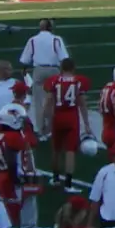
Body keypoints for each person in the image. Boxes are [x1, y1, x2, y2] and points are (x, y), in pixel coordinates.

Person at [43, 58, 91, 190]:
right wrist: (86, 123)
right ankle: (68, 183)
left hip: (57, 116)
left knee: (56, 150)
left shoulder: (53, 81)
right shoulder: (78, 82)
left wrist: (44, 120)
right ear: (73, 68)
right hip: (71, 117)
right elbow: (82, 103)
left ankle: (55, 178)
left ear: (61, 67)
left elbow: (48, 101)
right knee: (70, 151)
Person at [18, 19, 69, 134]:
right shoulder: (56, 39)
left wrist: (24, 71)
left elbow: (25, 59)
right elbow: (64, 58)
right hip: (54, 70)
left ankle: (41, 129)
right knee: (54, 100)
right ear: (50, 28)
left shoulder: (33, 40)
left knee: (39, 101)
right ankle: (52, 128)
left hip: (39, 70)